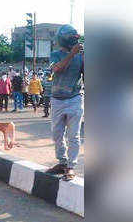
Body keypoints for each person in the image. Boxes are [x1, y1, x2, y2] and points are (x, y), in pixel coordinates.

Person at [46, 24, 84, 181]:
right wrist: (72, 54)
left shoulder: (82, 56)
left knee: (73, 135)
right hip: (57, 100)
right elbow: (57, 69)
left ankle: (70, 166)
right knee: (56, 134)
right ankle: (62, 162)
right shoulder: (55, 54)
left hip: (75, 99)